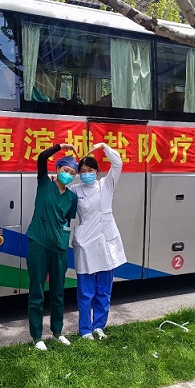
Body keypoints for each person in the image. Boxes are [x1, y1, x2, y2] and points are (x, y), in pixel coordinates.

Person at [70, 142, 126, 341]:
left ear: (97, 172)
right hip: (85, 243)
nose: (87, 174)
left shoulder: (106, 185)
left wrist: (104, 147)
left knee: (103, 290)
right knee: (86, 292)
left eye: (90, 170)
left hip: (105, 242)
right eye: (83, 171)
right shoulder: (75, 190)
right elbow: (59, 191)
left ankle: (99, 327)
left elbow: (118, 163)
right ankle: (85, 329)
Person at [26, 143, 78, 351]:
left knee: (58, 293)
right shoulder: (44, 184)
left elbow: (67, 219)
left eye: (72, 173)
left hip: (59, 248)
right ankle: (37, 336)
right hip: (38, 244)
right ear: (57, 169)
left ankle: (57, 332)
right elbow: (41, 158)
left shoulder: (72, 197)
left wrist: (63, 238)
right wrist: (61, 146)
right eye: (65, 170)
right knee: (37, 292)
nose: (68, 175)